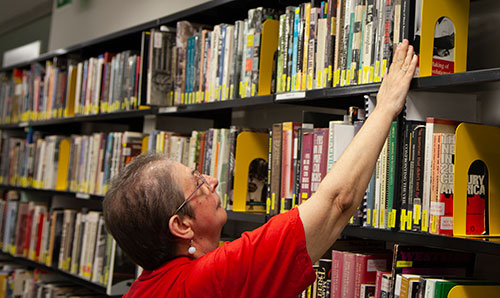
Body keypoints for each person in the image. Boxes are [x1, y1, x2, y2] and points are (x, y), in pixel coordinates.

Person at [103, 39, 418, 297]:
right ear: (181, 226)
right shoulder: (209, 279)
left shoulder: (144, 288)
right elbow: (337, 203)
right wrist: (386, 105)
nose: (212, 180)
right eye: (197, 181)